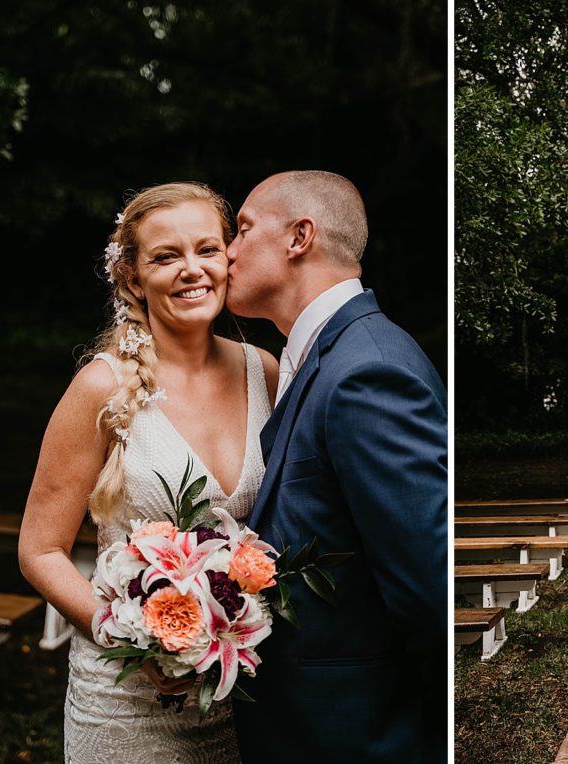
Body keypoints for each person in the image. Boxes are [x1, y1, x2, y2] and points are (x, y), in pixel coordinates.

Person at [18, 182, 279, 762]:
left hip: (243, 697)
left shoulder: (264, 371)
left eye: (207, 249)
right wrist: (125, 637)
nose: (192, 270)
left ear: (229, 258)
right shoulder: (102, 388)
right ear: (133, 279)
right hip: (126, 706)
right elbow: (40, 550)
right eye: (166, 256)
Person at [224, 170, 447, 763]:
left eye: (243, 229)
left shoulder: (368, 372)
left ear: (300, 237)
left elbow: (429, 592)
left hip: (361, 736)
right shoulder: (312, 358)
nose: (228, 251)